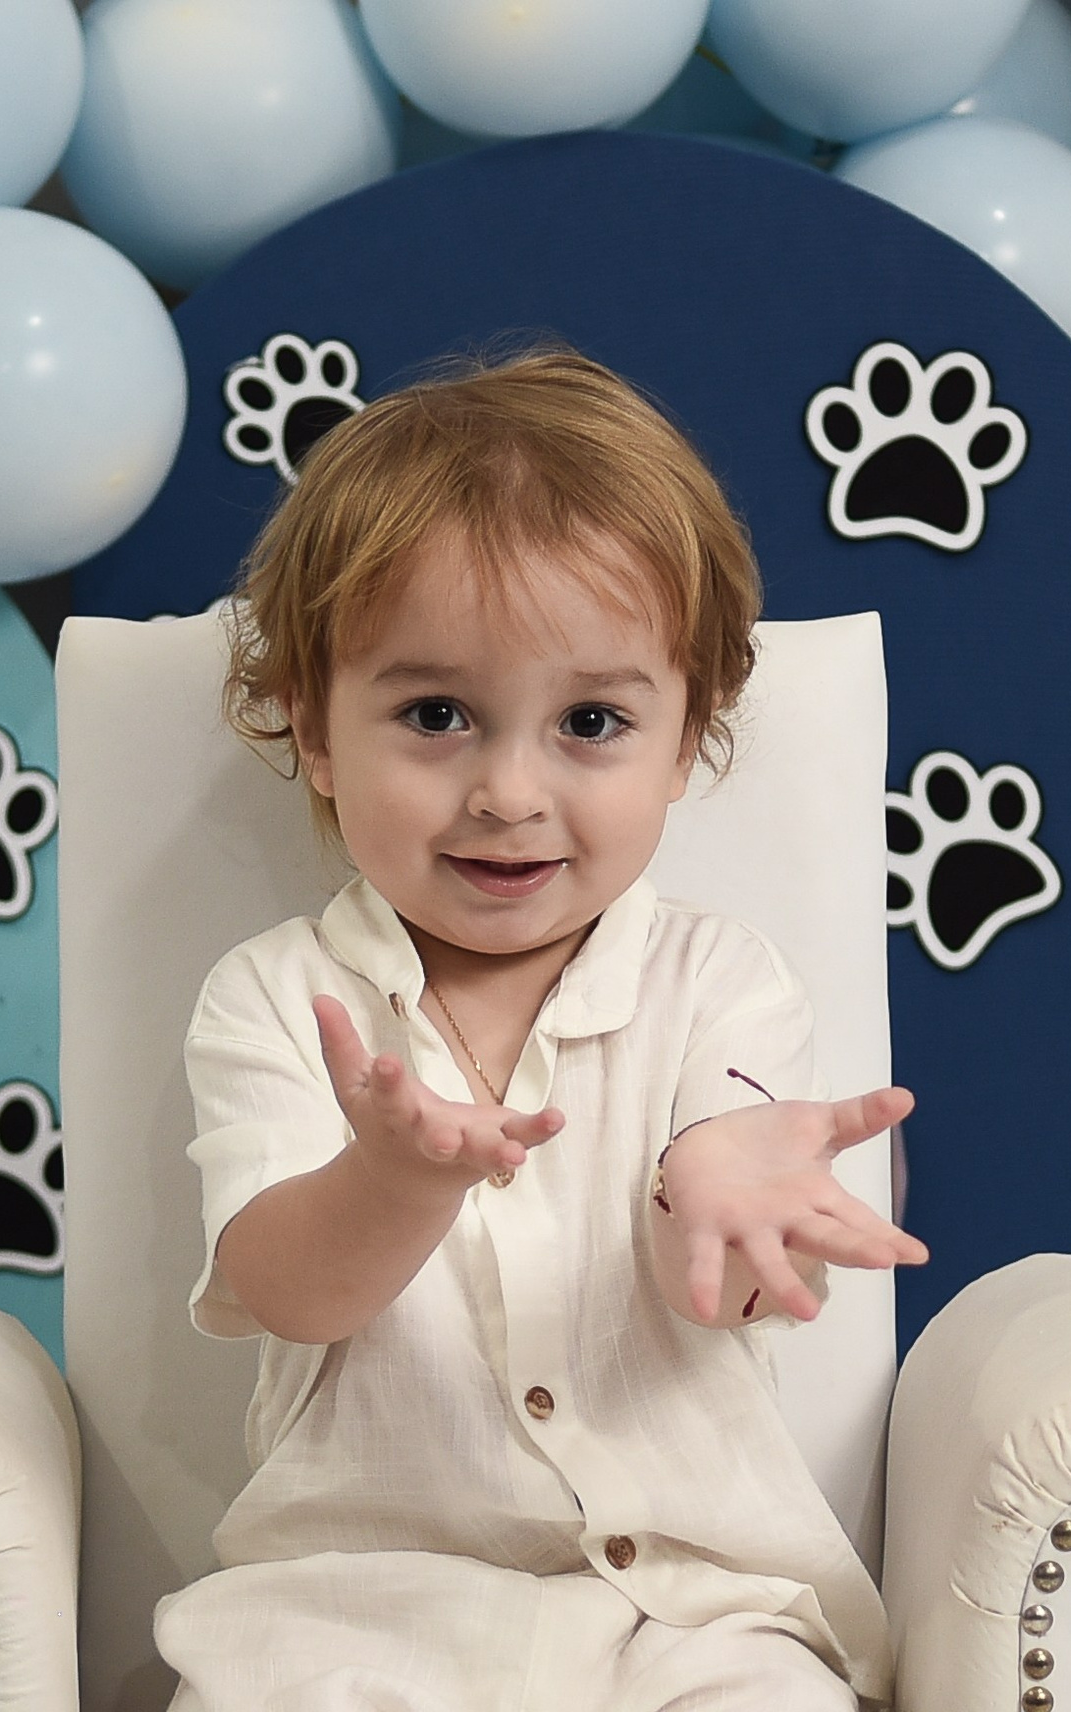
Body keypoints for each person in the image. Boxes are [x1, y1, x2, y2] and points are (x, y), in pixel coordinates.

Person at [158, 349, 926, 1711]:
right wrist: (391, 1181)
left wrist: (737, 1194)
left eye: (591, 722)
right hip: (355, 1617)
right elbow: (290, 1291)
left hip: (695, 1618)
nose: (509, 792)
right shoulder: (277, 999)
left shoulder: (724, 983)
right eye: (436, 715)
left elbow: (738, 1208)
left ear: (686, 743)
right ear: (315, 733)